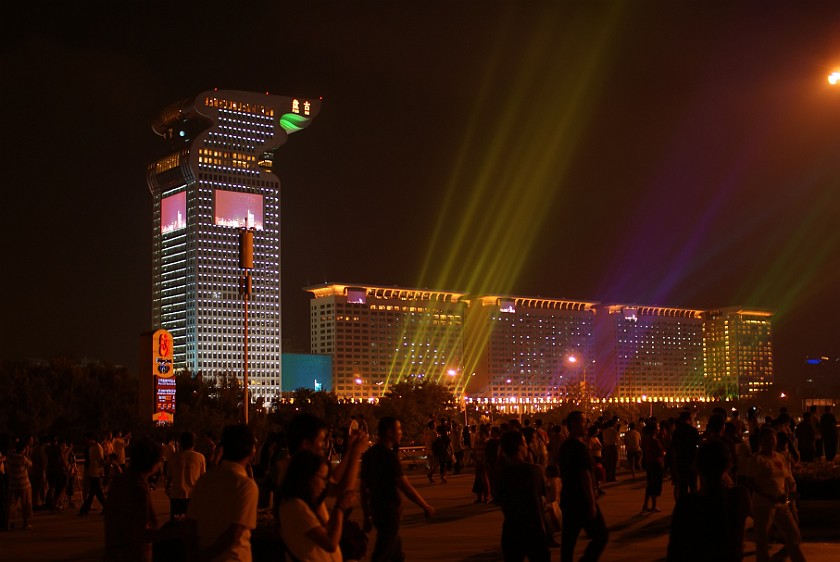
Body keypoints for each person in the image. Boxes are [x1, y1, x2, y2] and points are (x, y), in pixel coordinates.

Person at [361, 416, 434, 562]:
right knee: (383, 553)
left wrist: (367, 515)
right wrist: (425, 506)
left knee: (396, 554)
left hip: (376, 509)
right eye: (398, 429)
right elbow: (404, 485)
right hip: (389, 510)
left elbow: (364, 487)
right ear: (389, 432)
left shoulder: (369, 455)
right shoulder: (389, 456)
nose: (401, 432)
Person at [667, 440, 751, 562]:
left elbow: (675, 549)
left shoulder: (688, 503)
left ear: (698, 467)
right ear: (728, 465)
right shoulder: (740, 496)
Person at [187, 424, 259, 562]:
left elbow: (190, 524)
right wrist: (206, 556)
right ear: (250, 450)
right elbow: (234, 533)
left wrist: (195, 555)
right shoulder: (246, 486)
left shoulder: (205, 479)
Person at [278, 450, 357, 562]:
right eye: (322, 478)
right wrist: (340, 509)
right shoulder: (295, 505)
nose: (324, 485)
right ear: (306, 476)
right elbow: (330, 544)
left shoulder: (304, 502)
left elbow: (325, 530)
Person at [746, 426, 807, 562]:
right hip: (763, 505)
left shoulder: (779, 457)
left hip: (781, 504)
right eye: (767, 439)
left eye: (772, 439)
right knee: (762, 540)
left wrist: (788, 493)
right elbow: (750, 483)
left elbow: (785, 478)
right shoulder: (756, 459)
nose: (770, 442)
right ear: (761, 441)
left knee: (793, 535)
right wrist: (768, 495)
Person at [103, 436, 166, 562]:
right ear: (153, 463)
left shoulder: (121, 480)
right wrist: (178, 532)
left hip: (114, 552)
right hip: (133, 554)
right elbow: (141, 533)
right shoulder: (138, 488)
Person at [557, 411, 608, 562]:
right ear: (573, 425)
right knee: (601, 536)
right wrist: (591, 502)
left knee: (568, 542)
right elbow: (584, 475)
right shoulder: (579, 447)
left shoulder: (565, 446)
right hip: (582, 500)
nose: (586, 425)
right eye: (583, 422)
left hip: (568, 498)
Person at [495, 430, 550, 562]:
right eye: (525, 443)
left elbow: (498, 499)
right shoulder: (535, 471)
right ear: (519, 447)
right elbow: (544, 496)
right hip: (534, 529)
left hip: (511, 529)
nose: (527, 446)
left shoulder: (501, 474)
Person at [166, 431, 206, 520]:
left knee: (176, 524)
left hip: (176, 494)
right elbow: (202, 478)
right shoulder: (200, 457)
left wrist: (168, 488)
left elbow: (169, 476)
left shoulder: (173, 457)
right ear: (194, 443)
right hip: (193, 495)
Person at [670, 411, 700, 501]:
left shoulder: (677, 432)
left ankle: (683, 507)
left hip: (681, 462)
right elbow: (697, 446)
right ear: (689, 419)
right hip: (692, 461)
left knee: (683, 487)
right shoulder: (693, 431)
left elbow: (674, 448)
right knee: (693, 486)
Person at [7, 440, 33, 530]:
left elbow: (10, 454)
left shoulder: (10, 456)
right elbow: (30, 464)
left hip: (12, 484)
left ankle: (10, 522)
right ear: (24, 449)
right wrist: (27, 453)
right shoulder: (23, 458)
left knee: (12, 505)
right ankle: (25, 524)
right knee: (26, 504)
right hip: (24, 484)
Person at [78, 432, 107, 516]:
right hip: (93, 472)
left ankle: (84, 510)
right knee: (97, 492)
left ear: (91, 439)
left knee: (93, 492)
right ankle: (106, 507)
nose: (85, 441)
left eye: (86, 439)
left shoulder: (98, 447)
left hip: (96, 472)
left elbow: (101, 460)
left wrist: (101, 472)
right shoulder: (91, 447)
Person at [641, 423, 665, 513]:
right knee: (655, 485)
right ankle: (653, 506)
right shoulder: (655, 441)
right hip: (656, 464)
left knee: (650, 484)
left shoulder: (647, 440)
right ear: (654, 430)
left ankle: (645, 505)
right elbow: (660, 452)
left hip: (650, 463)